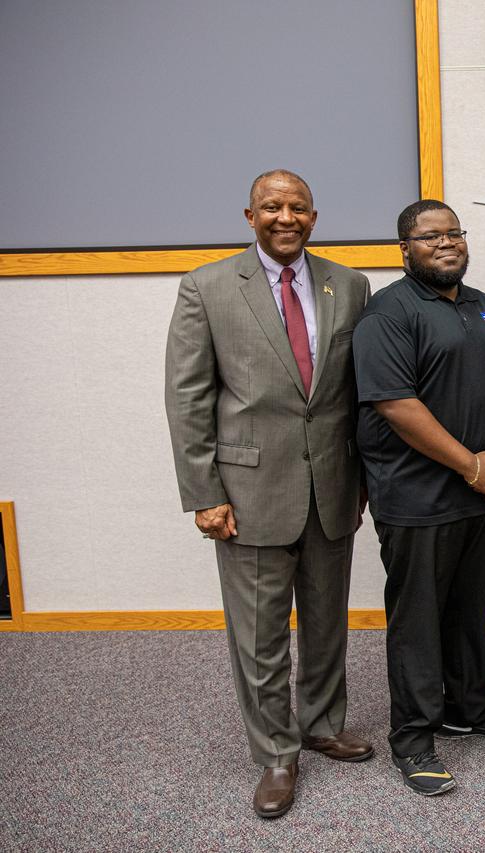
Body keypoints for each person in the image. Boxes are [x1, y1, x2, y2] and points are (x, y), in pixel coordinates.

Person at [164, 169, 373, 819]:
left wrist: (365, 478)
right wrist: (204, 490)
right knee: (258, 635)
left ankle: (322, 722)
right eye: (272, 207)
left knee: (325, 620)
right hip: (248, 490)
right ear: (249, 216)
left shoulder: (351, 284)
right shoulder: (208, 286)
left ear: (314, 216)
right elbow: (188, 395)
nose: (286, 217)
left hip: (333, 485)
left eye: (298, 207)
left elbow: (358, 393)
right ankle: (277, 751)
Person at [353, 199, 485, 798]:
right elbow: (396, 404)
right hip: (416, 496)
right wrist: (470, 464)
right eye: (431, 236)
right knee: (419, 621)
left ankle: (470, 708)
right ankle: (414, 737)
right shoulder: (388, 313)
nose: (446, 242)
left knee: (474, 608)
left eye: (454, 232)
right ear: (405, 248)